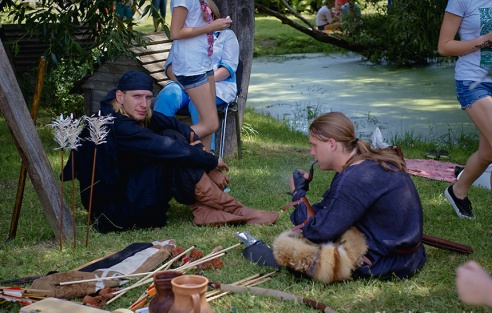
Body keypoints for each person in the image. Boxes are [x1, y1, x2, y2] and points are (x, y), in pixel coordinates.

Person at [64, 70, 279, 233]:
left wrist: (206, 158)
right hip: (113, 215)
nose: (143, 104)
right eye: (137, 97)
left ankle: (205, 210)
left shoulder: (129, 111)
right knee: (169, 150)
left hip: (126, 193)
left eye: (148, 98)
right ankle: (235, 210)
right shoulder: (117, 125)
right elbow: (169, 148)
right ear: (120, 97)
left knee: (171, 133)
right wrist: (211, 162)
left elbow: (179, 128)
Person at [283, 112, 426, 279]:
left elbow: (317, 233)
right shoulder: (362, 162)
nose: (312, 152)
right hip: (411, 256)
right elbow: (328, 211)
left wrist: (298, 194)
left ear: (331, 144)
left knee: (295, 257)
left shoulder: (354, 178)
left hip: (388, 262)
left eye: (314, 145)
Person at [154, 3, 239, 154]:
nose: (207, 19)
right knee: (169, 96)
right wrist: (187, 86)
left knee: (204, 112)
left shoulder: (226, 36)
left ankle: (206, 157)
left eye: (209, 16)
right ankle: (160, 142)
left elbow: (227, 68)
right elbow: (171, 63)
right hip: (188, 73)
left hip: (209, 74)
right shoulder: (186, 14)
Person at [438, 1, 492, 219]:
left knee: (488, 152)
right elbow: (444, 46)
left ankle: (457, 191)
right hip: (473, 81)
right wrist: (486, 40)